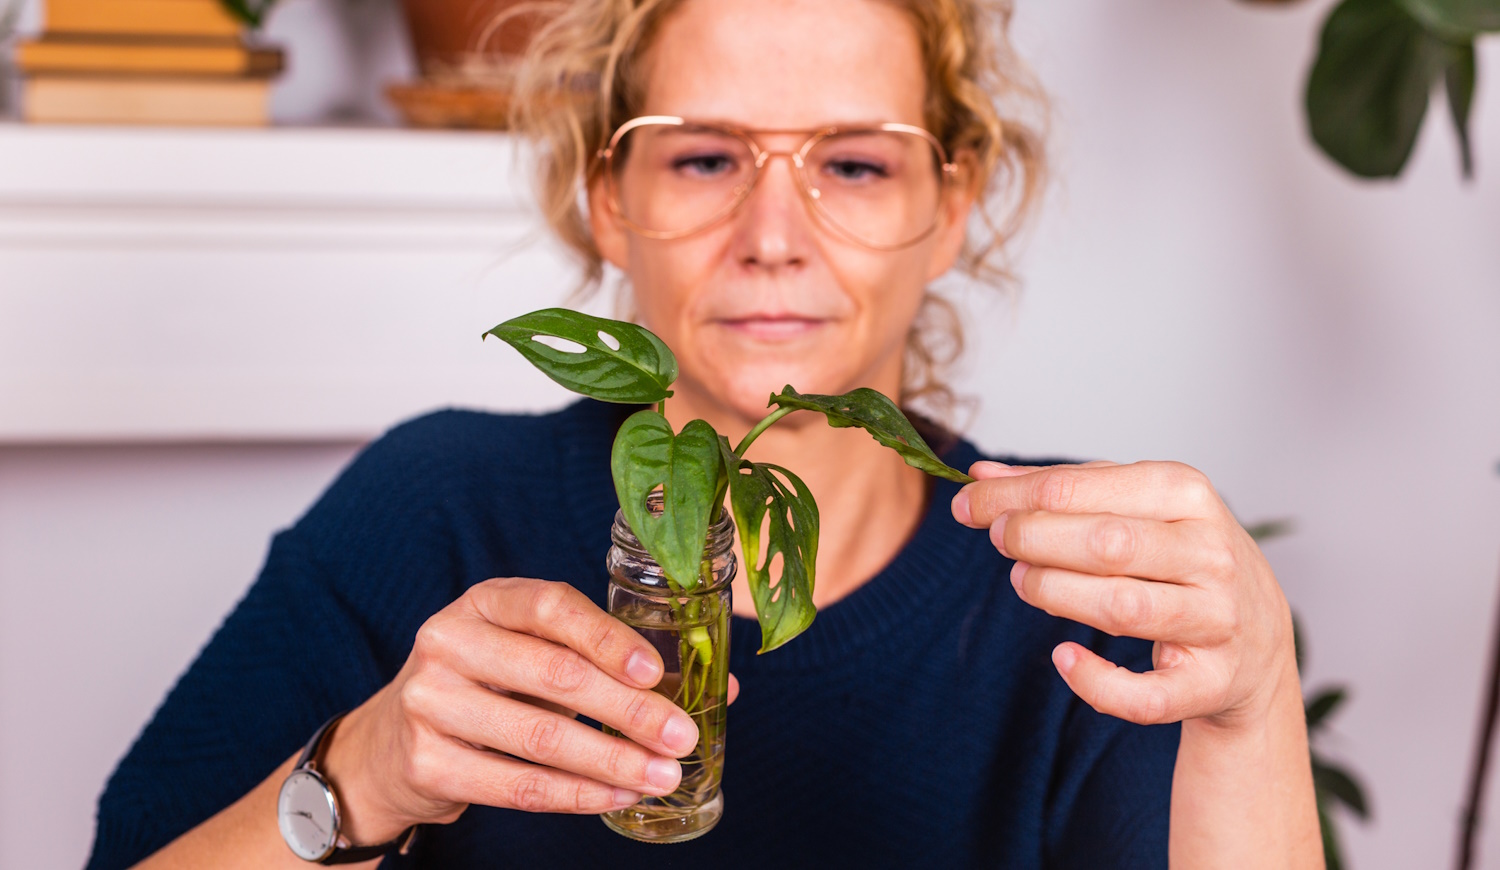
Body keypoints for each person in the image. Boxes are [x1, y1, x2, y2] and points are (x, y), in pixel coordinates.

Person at [87, 0, 1321, 867]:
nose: (772, 233)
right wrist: (366, 772)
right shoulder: (435, 510)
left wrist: (1256, 705)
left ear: (953, 205)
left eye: (853, 165)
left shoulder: (1076, 592)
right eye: (704, 159)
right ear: (606, 198)